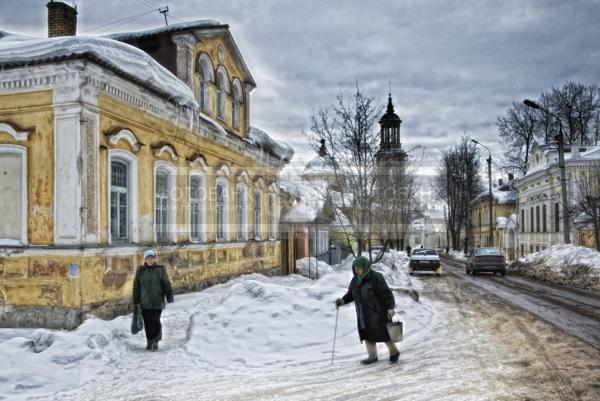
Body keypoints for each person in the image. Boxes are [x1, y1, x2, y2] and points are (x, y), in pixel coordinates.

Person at [335, 256, 400, 365]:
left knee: (383, 333)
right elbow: (351, 294)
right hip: (362, 312)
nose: (357, 271)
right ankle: (372, 355)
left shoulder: (376, 277)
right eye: (355, 268)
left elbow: (386, 294)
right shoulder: (355, 279)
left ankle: (394, 351)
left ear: (365, 267)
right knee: (366, 333)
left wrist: (390, 308)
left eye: (359, 268)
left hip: (378, 311)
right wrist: (342, 301)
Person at [133, 249, 174, 351]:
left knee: (155, 321)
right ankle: (149, 341)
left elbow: (166, 283)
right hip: (144, 301)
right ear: (145, 260)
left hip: (157, 301)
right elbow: (136, 286)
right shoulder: (140, 271)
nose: (150, 260)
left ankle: (155, 341)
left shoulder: (160, 270)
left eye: (152, 258)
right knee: (147, 323)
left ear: (154, 259)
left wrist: (169, 296)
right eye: (148, 258)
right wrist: (135, 300)